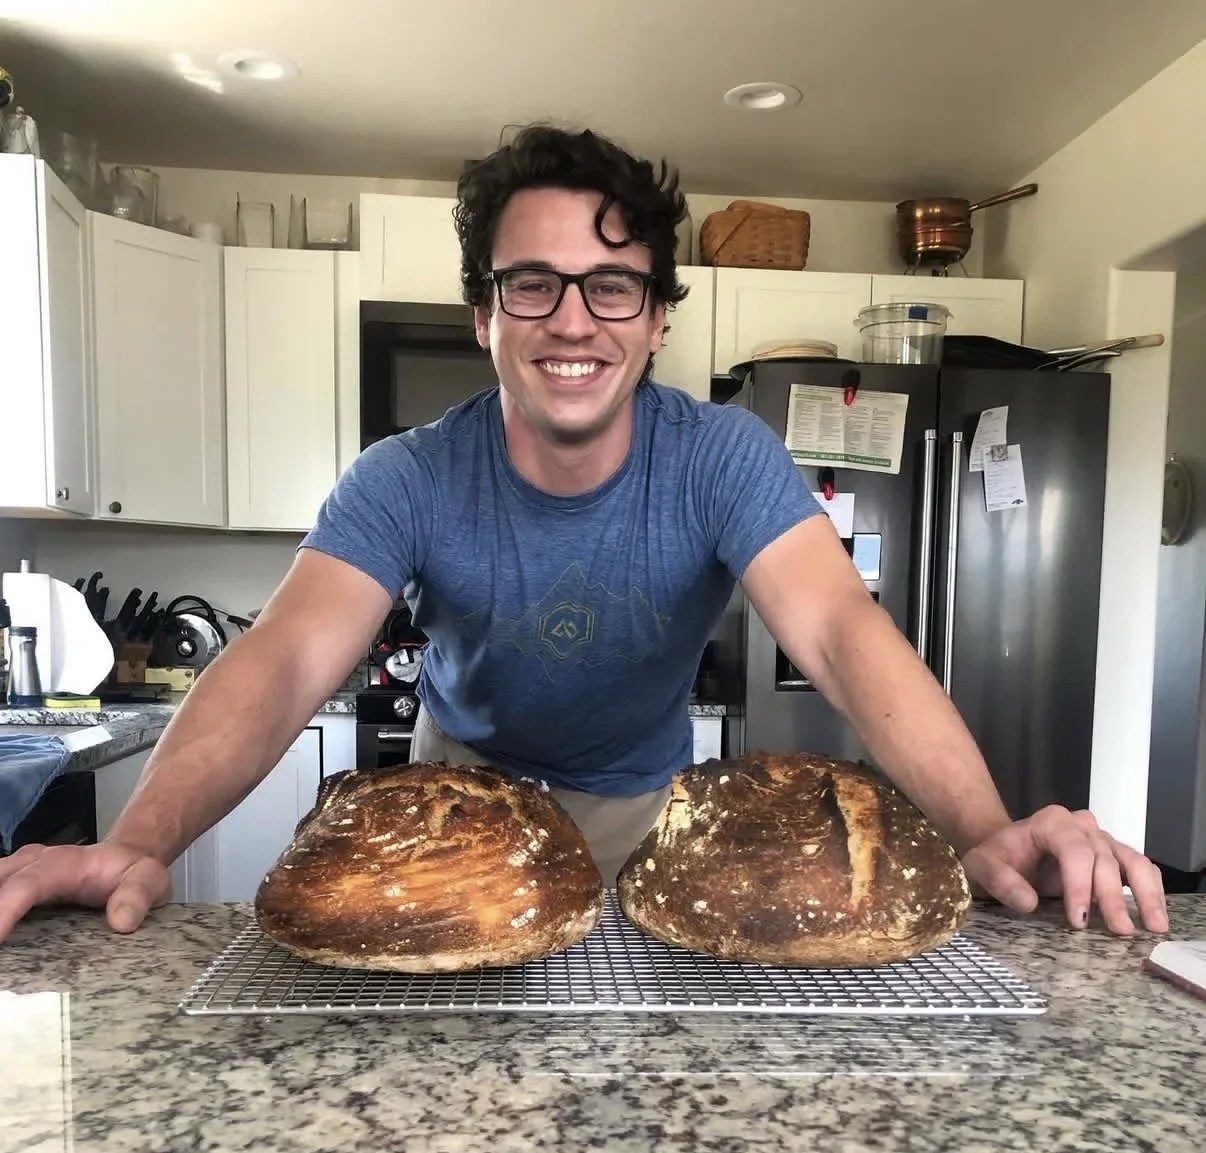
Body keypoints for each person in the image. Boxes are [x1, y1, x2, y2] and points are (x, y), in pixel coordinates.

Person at [0, 125, 1166, 942]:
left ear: (657, 320)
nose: (574, 320)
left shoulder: (721, 456)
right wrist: (142, 839)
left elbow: (844, 638)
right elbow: (285, 660)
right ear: (483, 313)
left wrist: (987, 829)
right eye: (533, 285)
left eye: (614, 286)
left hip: (648, 819)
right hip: (454, 809)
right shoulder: (402, 476)